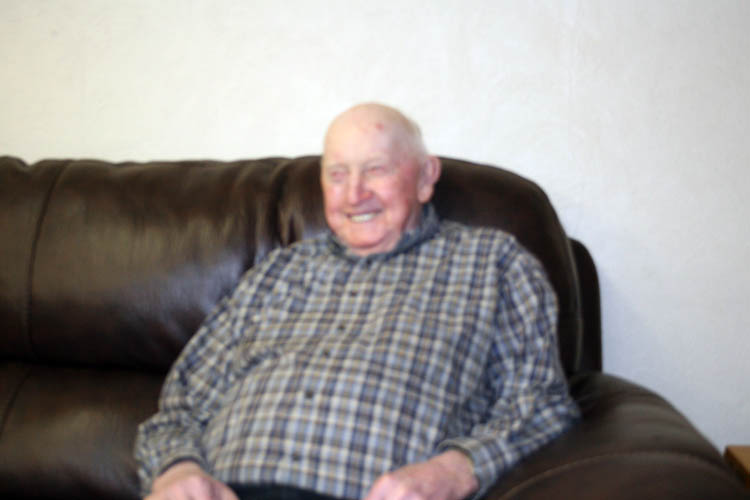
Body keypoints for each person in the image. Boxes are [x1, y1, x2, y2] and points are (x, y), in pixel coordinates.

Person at [135, 103, 579, 500]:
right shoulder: (276, 272)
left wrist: (456, 470)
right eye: (337, 174)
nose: (354, 194)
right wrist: (178, 471)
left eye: (375, 170)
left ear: (426, 177)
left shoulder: (493, 265)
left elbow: (540, 403)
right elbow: (181, 406)